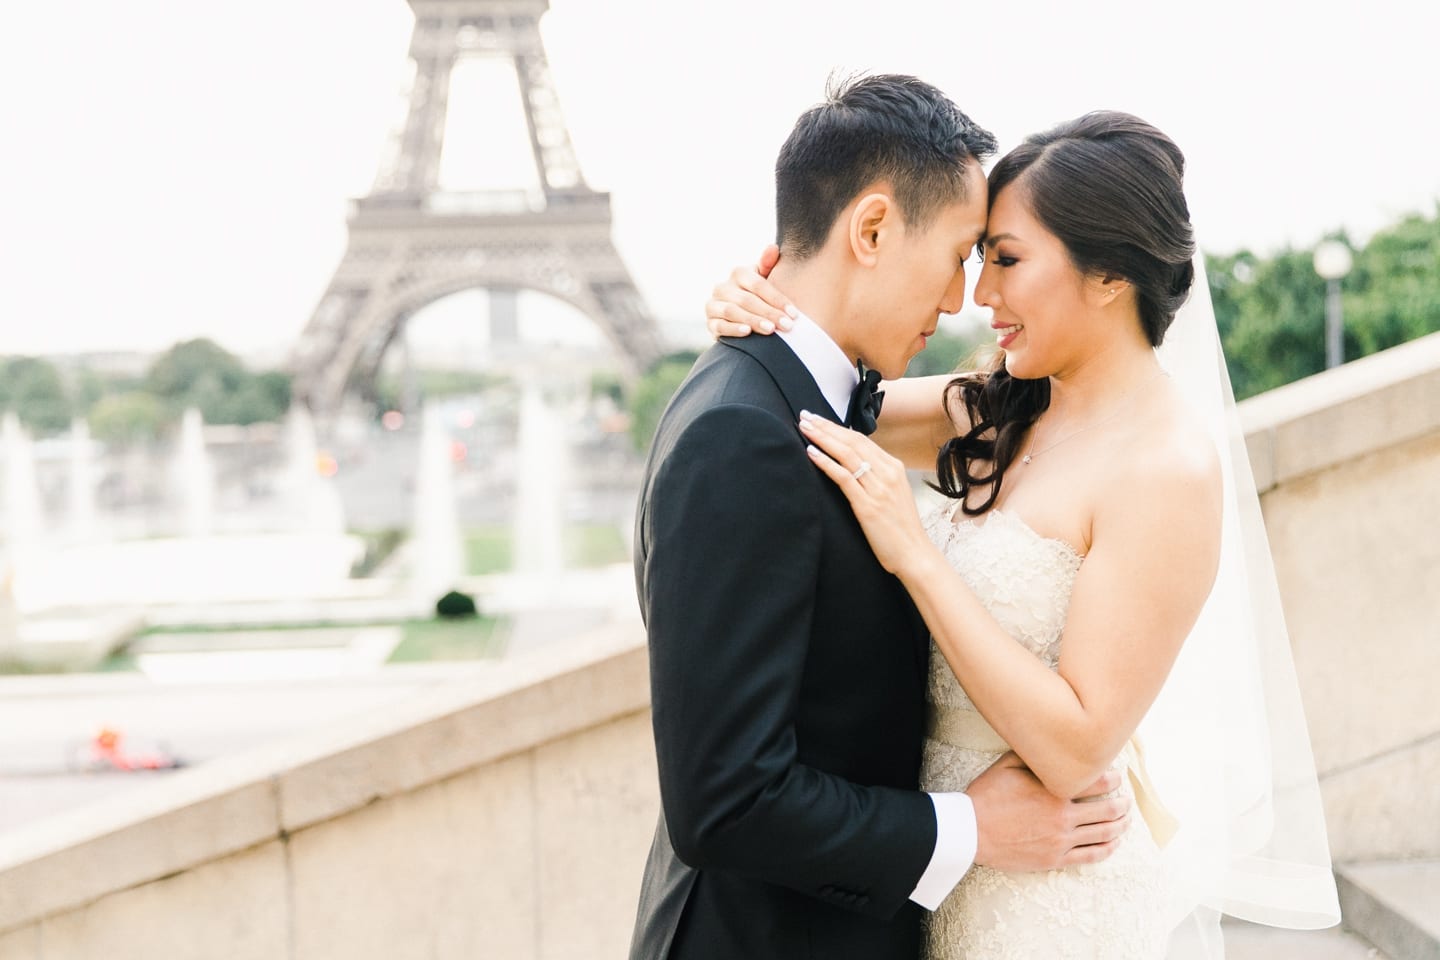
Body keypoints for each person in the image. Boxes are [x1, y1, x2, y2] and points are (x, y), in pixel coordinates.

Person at [705, 111, 1340, 958]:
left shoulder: (1168, 470)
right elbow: (811, 406)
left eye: (1005, 259)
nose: (980, 295)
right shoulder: (1003, 402)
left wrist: (918, 556)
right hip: (929, 868)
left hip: (1045, 900)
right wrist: (758, 311)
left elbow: (1078, 748)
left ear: (1109, 271)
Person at [629, 76, 1137, 960]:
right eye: (958, 254)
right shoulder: (741, 436)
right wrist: (968, 830)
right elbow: (725, 799)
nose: (959, 301)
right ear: (869, 230)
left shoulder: (800, 399)